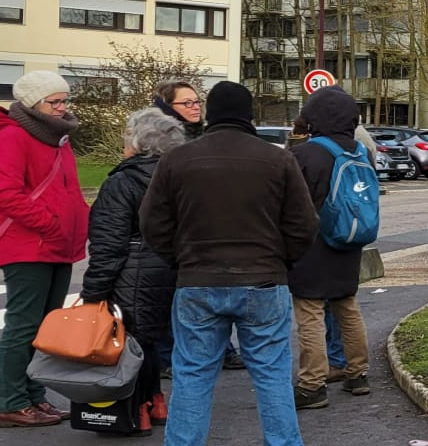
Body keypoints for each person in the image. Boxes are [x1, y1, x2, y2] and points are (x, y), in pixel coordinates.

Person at [140, 81, 318, 446]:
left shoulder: (177, 160)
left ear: (210, 114)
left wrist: (182, 260)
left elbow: (152, 223)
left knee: (192, 374)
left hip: (197, 280)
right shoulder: (277, 159)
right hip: (264, 281)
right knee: (272, 374)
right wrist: (279, 260)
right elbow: (304, 224)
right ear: (250, 115)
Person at [79, 108, 186, 435]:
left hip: (132, 274)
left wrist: (93, 292)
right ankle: (157, 401)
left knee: (130, 341)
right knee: (151, 341)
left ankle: (136, 407)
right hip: (172, 272)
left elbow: (108, 244)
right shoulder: (181, 177)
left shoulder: (123, 181)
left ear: (137, 142)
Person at [0, 70, 89, 428]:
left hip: (58, 245)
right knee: (23, 326)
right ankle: (10, 400)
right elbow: (6, 193)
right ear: (34, 103)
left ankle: (34, 396)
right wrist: (50, 223)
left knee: (46, 329)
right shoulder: (14, 137)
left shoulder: (58, 138)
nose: (62, 108)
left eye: (64, 100)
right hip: (29, 245)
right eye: (55, 102)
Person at [152, 80, 245, 373]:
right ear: (168, 107)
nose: (195, 108)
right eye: (187, 103)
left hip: (205, 228)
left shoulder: (203, 135)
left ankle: (223, 348)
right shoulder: (159, 140)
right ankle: (168, 356)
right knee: (171, 295)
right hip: (179, 232)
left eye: (197, 102)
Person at [289, 86, 372, 410]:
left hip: (312, 247)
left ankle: (312, 385)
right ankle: (358, 374)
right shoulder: (359, 152)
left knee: (310, 314)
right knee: (347, 308)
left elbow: (291, 206)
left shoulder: (305, 154)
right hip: (348, 241)